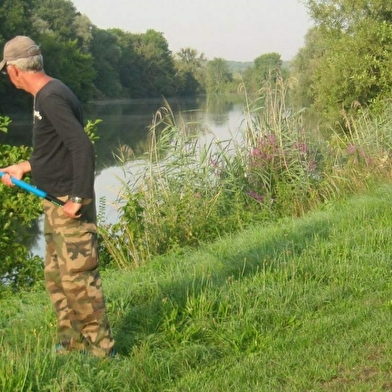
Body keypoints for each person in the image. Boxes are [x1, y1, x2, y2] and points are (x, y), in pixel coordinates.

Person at [0, 36, 115, 357]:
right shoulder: (45, 94)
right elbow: (55, 151)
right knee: (57, 278)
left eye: (6, 70)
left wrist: (77, 199)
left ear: (14, 70)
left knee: (80, 281)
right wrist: (24, 166)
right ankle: (73, 343)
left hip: (68, 206)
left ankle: (104, 354)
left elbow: (82, 146)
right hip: (53, 200)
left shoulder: (51, 97)